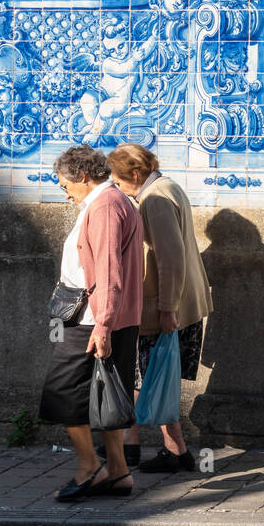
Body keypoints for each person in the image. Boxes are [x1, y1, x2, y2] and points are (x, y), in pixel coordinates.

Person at [38, 146, 145, 501]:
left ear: (82, 176)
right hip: (106, 318)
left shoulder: (105, 206)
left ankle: (90, 467)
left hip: (93, 320)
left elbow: (109, 271)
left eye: (64, 183)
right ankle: (118, 472)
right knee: (104, 395)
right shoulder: (110, 202)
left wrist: (103, 325)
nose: (64, 191)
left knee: (63, 393)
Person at [107, 143, 213, 473]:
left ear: (135, 174)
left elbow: (170, 257)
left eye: (119, 180)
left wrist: (167, 308)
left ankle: (132, 446)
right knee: (157, 378)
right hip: (181, 302)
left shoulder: (154, 199)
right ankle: (173, 450)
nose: (116, 186)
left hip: (167, 307)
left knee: (144, 377)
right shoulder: (167, 186)